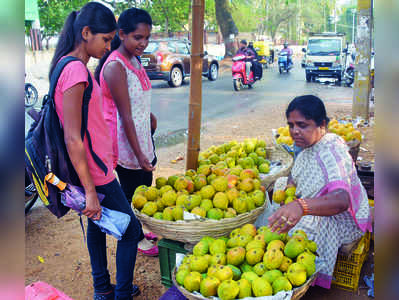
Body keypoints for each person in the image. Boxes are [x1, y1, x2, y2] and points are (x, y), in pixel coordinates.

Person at [50, 3, 143, 299]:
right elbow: (73, 138)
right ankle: (122, 294)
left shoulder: (64, 64)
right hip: (94, 172)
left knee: (98, 223)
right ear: (85, 32)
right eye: (105, 39)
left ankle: (103, 289)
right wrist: (90, 190)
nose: (108, 46)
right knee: (130, 231)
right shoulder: (76, 71)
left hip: (91, 168)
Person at [268, 95, 372, 289]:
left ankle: (309, 277)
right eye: (291, 125)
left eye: (302, 125)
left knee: (305, 225)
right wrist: (290, 188)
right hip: (319, 203)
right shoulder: (308, 145)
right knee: (281, 184)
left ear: (321, 124)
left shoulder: (332, 152)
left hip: (343, 220)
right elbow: (297, 175)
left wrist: (301, 206)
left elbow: (341, 201)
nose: (294, 131)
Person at [95, 8, 158, 257]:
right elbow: (125, 116)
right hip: (126, 142)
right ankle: (138, 237)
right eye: (137, 37)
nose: (143, 43)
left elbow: (139, 99)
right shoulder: (114, 67)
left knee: (145, 185)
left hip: (142, 135)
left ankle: (140, 228)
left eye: (147, 38)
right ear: (122, 34)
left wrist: (151, 118)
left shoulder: (134, 59)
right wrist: (139, 153)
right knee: (132, 192)